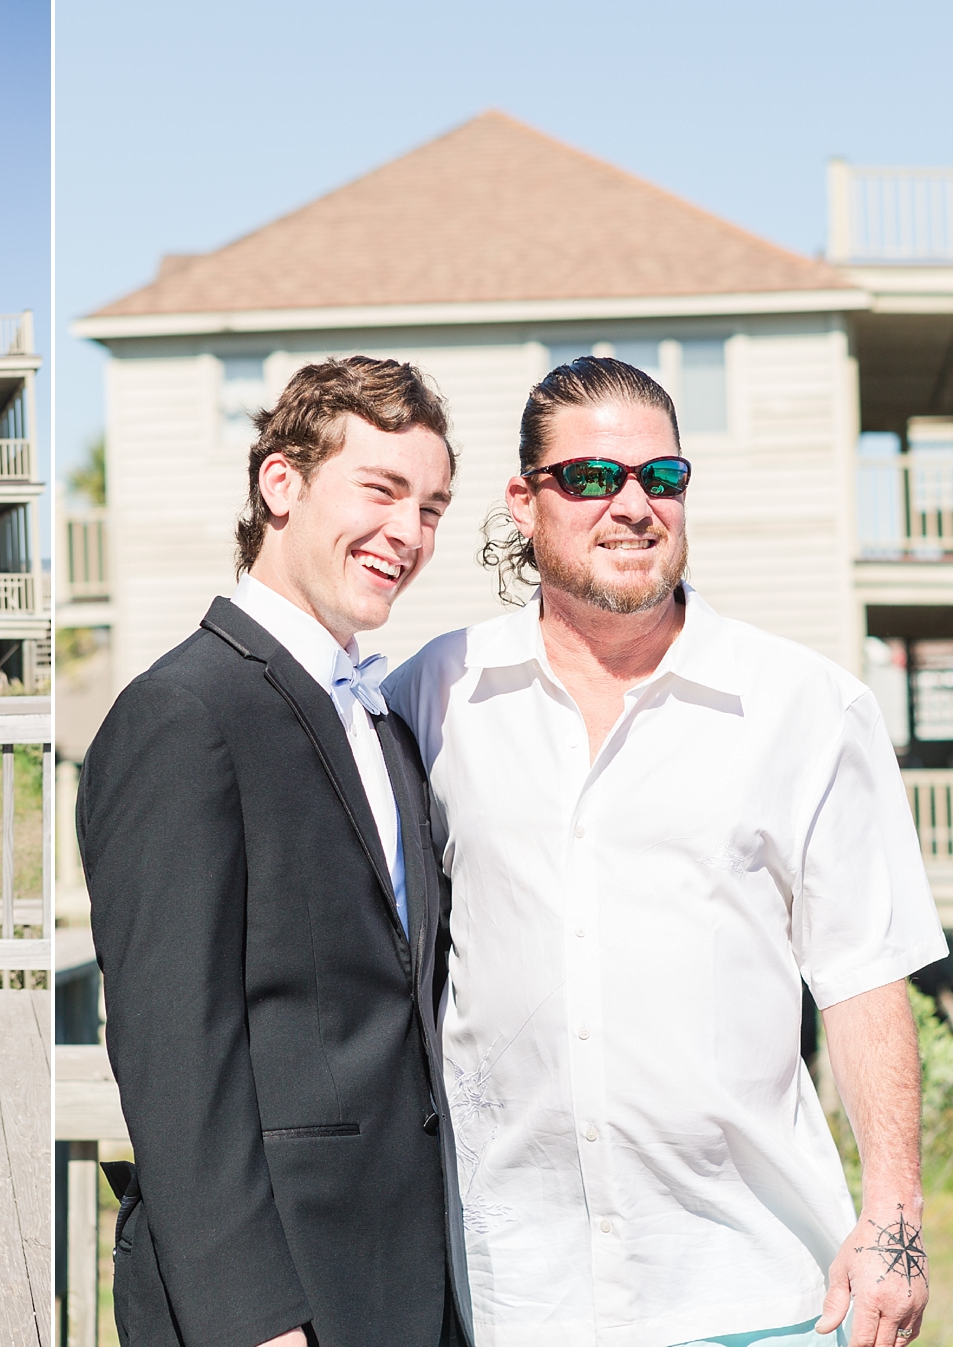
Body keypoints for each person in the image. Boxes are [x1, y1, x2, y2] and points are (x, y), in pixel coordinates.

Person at [384, 356, 949, 1347]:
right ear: (524, 502)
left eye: (663, 477)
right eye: (592, 478)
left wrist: (895, 1218)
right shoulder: (437, 695)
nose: (633, 504)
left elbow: (862, 975)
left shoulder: (807, 710)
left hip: (761, 1291)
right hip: (516, 1294)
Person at [78, 357, 471, 1347]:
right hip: (272, 1301)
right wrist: (254, 1322)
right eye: (380, 491)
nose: (408, 534)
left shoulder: (381, 720)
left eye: (429, 507)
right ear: (281, 484)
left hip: (402, 1278)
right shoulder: (183, 713)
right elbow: (174, 1055)